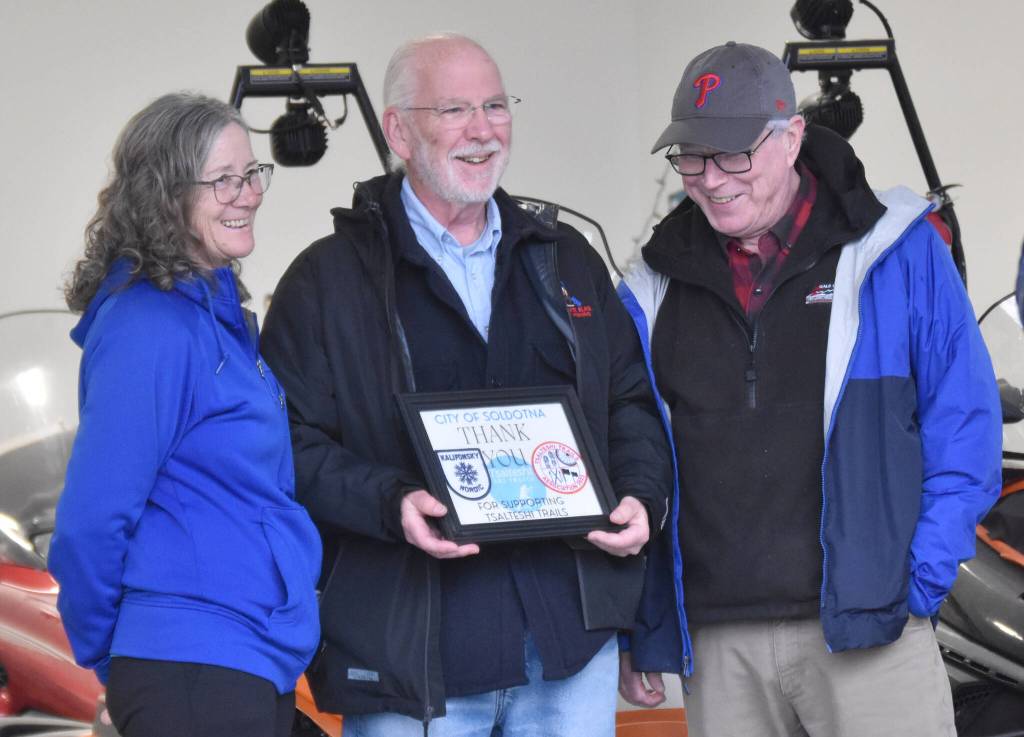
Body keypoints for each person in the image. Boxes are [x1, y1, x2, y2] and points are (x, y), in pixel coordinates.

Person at [260, 33, 671, 737]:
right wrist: (390, 502)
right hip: (412, 665)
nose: (483, 130)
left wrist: (641, 494)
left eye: (495, 106)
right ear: (398, 131)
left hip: (568, 651)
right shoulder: (325, 282)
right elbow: (285, 446)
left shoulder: (565, 259)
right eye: (454, 110)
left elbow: (628, 399)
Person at [617, 41, 1002, 736]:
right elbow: (627, 448)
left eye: (733, 155)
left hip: (872, 628)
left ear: (791, 137)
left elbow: (964, 420)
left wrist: (916, 579)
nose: (711, 179)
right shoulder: (649, 286)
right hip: (718, 643)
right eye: (691, 157)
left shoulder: (898, 250)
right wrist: (642, 622)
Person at [49, 92, 321, 737]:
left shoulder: (213, 320)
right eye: (223, 179)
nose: (249, 193)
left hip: (245, 655)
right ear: (164, 195)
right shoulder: (150, 327)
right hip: (192, 661)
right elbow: (91, 521)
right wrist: (113, 653)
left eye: (252, 172)